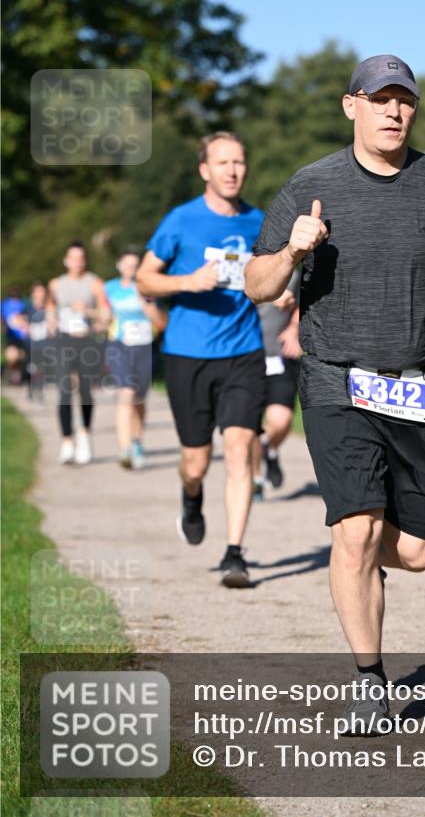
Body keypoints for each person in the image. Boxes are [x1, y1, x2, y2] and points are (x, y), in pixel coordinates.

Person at [245, 55, 425, 724]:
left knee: (417, 553)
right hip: (338, 379)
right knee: (357, 531)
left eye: (405, 101)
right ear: (350, 105)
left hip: (424, 387)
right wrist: (292, 252)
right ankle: (369, 675)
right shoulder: (311, 185)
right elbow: (257, 284)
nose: (394, 111)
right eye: (380, 99)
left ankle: (355, 548)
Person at [136, 131, 266, 589]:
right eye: (223, 162)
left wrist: (285, 296)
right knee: (195, 461)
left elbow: (275, 277)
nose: (233, 170)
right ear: (205, 170)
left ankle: (235, 552)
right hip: (187, 354)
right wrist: (187, 283)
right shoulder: (181, 220)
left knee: (239, 449)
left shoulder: (259, 222)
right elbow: (144, 279)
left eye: (239, 161)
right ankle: (191, 497)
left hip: (244, 353)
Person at [47, 242, 110, 465]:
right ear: (66, 260)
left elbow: (105, 314)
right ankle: (66, 441)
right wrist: (52, 320)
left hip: (87, 341)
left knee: (85, 391)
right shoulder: (56, 284)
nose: (77, 262)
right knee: (64, 392)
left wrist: (88, 311)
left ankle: (84, 435)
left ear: (85, 260)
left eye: (81, 258)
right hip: (64, 341)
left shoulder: (94, 283)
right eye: (73, 258)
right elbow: (50, 309)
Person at [105, 248, 166, 470]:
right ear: (119, 265)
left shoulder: (148, 288)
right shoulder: (109, 288)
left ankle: (137, 441)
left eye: (135, 265)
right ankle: (125, 449)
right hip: (119, 346)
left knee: (139, 398)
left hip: (145, 347)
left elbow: (160, 323)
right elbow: (101, 316)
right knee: (126, 393)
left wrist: (147, 305)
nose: (131, 269)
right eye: (127, 264)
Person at [252, 273, 301, 498]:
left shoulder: (292, 272)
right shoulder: (234, 267)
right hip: (244, 358)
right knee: (248, 427)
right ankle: (256, 480)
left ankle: (269, 449)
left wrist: (293, 329)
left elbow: (306, 302)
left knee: (281, 421)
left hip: (279, 357)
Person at [26, 280, 49, 401]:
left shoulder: (49, 306)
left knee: (41, 366)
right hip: (31, 342)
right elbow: (18, 318)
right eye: (38, 291)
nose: (40, 294)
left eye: (42, 291)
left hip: (45, 342)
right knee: (32, 367)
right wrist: (25, 326)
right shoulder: (27, 307)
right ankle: (30, 387)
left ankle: (40, 389)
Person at [2, 285, 28, 385]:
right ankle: (13, 376)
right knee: (13, 356)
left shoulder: (24, 304)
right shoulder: (4, 305)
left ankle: (17, 377)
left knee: (21, 357)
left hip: (23, 338)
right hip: (10, 338)